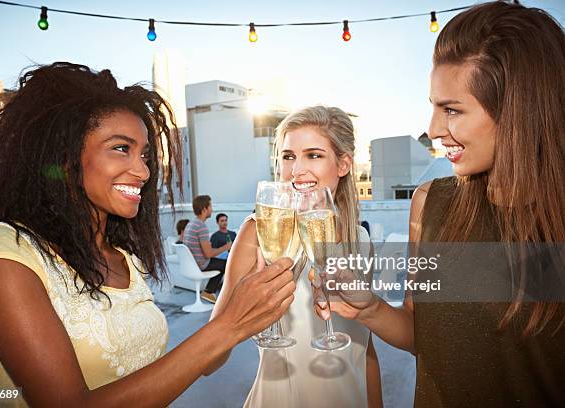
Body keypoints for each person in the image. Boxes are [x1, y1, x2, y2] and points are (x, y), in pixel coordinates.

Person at [0, 62, 296, 408]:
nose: (143, 170)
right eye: (121, 148)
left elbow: (196, 363)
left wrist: (237, 295)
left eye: (145, 154)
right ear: (64, 156)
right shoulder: (4, 253)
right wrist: (229, 327)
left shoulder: (122, 256)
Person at [321, 2, 565, 407]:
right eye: (434, 106)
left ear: (521, 111)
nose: (433, 129)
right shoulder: (429, 203)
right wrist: (370, 308)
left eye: (452, 110)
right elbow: (425, 337)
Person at [206, 106, 383, 408]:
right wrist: (244, 307)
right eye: (288, 156)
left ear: (343, 164)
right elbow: (210, 362)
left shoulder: (361, 240)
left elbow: (365, 347)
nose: (296, 170)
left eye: (313, 155)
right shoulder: (257, 231)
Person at [183, 195, 231, 303]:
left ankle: (209, 292)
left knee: (222, 262)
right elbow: (209, 254)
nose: (212, 209)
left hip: (193, 264)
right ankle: (209, 292)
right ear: (204, 209)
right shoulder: (201, 226)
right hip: (201, 264)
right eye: (210, 206)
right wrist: (226, 247)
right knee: (228, 264)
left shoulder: (192, 224)